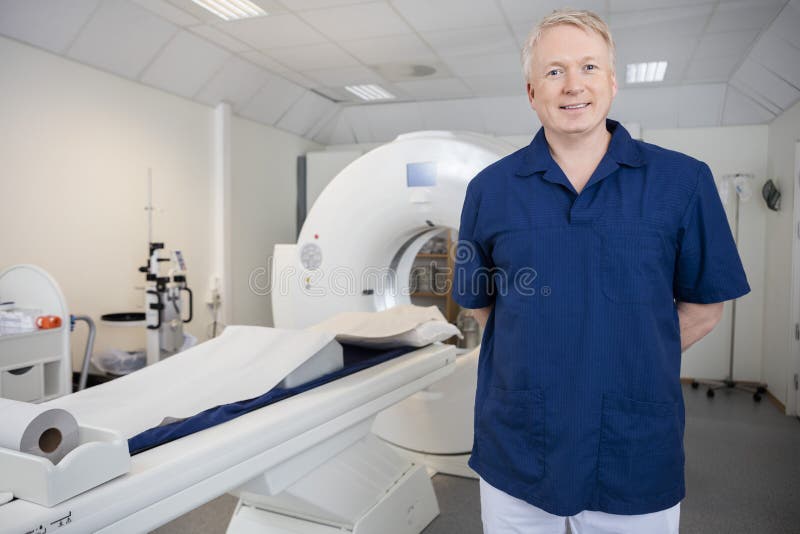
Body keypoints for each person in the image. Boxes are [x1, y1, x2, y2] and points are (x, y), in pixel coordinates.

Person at [451, 9, 750, 534]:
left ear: (612, 83)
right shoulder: (489, 190)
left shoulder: (682, 182)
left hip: (632, 447)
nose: (573, 86)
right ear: (530, 92)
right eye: (554, 71)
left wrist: (629, 353)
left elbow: (704, 308)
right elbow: (479, 302)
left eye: (589, 68)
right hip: (519, 444)